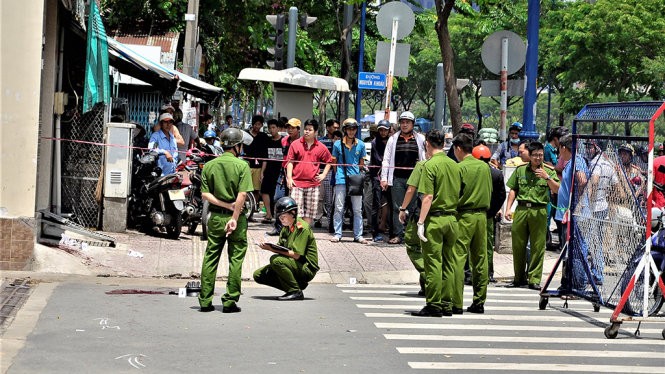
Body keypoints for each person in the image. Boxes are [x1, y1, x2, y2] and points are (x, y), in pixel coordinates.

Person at [198, 128, 254, 313]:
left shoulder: (209, 165)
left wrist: (225, 205)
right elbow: (243, 194)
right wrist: (234, 216)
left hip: (215, 218)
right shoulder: (242, 166)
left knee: (210, 258)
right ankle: (229, 301)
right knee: (235, 259)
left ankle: (205, 301)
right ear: (237, 146)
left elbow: (205, 195)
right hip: (236, 219)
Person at [411, 130, 461, 317]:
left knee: (433, 263)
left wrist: (420, 222)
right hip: (452, 219)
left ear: (428, 144)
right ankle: (447, 303)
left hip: (435, 220)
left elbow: (428, 196)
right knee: (449, 263)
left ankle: (434, 304)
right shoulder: (454, 165)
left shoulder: (429, 165)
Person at [505, 141, 560, 289]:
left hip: (539, 210)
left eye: (540, 155)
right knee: (518, 245)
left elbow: (557, 190)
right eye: (535, 155)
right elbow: (513, 189)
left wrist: (547, 177)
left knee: (537, 246)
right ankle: (519, 278)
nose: (538, 158)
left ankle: (534, 279)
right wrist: (508, 208)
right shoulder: (521, 170)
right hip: (522, 210)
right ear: (530, 155)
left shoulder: (549, 170)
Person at [451, 134, 492, 314]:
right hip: (482, 216)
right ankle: (479, 301)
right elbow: (490, 191)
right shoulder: (484, 167)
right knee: (480, 259)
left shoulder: (459, 168)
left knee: (458, 258)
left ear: (458, 148)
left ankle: (456, 302)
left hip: (464, 216)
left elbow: (454, 194)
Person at [254, 196, 320, 300]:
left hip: (306, 267)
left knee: (276, 260)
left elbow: (297, 255)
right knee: (258, 275)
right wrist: (268, 245)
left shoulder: (302, 228)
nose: (281, 219)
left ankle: (295, 291)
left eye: (283, 216)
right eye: (279, 217)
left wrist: (272, 249)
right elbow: (281, 248)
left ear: (293, 213)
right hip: (294, 264)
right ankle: (294, 286)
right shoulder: (286, 228)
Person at [380, 111, 426, 244]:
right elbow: (386, 160)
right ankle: (398, 234)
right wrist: (384, 178)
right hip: (397, 179)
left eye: (408, 122)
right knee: (397, 207)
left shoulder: (420, 139)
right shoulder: (393, 139)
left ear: (413, 124)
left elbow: (424, 157)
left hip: (415, 179)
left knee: (413, 208)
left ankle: (410, 235)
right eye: (403, 122)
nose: (405, 125)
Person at [397, 143, 433, 296]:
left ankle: (429, 277)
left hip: (421, 212)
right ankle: (426, 286)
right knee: (432, 251)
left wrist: (403, 208)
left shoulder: (423, 165)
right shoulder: (452, 165)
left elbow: (411, 189)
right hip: (444, 214)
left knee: (413, 244)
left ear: (428, 147)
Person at [555, 134, 589, 289]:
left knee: (576, 250)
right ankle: (568, 282)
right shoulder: (570, 163)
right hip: (566, 215)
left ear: (563, 147)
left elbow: (582, 180)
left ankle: (577, 284)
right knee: (568, 250)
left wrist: (578, 204)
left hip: (574, 215)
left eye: (559, 149)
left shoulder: (578, 160)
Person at [285, 119, 333, 225]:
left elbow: (329, 161)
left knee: (309, 216)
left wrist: (323, 174)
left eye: (310, 130)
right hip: (296, 184)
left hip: (313, 185)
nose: (306, 131)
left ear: (315, 132)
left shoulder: (321, 147)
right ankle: (295, 237)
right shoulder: (295, 144)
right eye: (305, 129)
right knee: (295, 213)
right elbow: (290, 162)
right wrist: (289, 178)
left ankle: (304, 238)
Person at [472, 144, 506, 283]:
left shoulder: (466, 171)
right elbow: (501, 196)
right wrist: (491, 211)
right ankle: (488, 273)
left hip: (469, 215)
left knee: (469, 245)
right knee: (487, 246)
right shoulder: (496, 173)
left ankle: (470, 273)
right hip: (487, 215)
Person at [331, 118, 368, 244]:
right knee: (339, 207)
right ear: (345, 130)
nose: (351, 131)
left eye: (353, 129)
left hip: (355, 179)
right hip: (341, 178)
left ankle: (358, 235)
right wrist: (338, 176)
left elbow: (361, 164)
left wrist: (356, 174)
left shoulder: (361, 145)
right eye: (349, 129)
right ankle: (337, 233)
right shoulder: (337, 144)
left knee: (357, 209)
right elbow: (334, 163)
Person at [267, 118, 301, 236]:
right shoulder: (284, 141)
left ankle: (293, 229)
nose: (290, 130)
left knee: (293, 203)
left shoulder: (302, 142)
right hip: (283, 173)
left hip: (297, 174)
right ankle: (278, 227)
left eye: (292, 128)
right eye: (288, 128)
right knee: (278, 199)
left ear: (298, 129)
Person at [370, 120, 392, 242]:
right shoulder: (375, 143)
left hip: (390, 176)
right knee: (376, 205)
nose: (383, 132)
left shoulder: (392, 141)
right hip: (377, 176)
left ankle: (392, 231)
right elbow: (379, 160)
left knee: (391, 203)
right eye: (381, 129)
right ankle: (375, 231)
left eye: (385, 129)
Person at [243, 115, 270, 212]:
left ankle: (253, 208)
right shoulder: (245, 135)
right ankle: (244, 208)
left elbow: (265, 156)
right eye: (256, 124)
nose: (257, 126)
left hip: (259, 168)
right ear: (252, 124)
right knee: (245, 189)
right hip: (247, 166)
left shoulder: (264, 137)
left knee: (256, 190)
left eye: (260, 125)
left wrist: (262, 171)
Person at [260, 119, 284, 223]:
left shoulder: (283, 141)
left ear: (278, 128)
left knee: (277, 194)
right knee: (265, 191)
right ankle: (268, 213)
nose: (271, 130)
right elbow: (265, 158)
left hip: (280, 171)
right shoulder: (267, 141)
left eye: (273, 127)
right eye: (270, 128)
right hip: (269, 170)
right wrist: (262, 172)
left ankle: (279, 215)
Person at [318, 119, 340, 233]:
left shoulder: (340, 141)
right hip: (322, 172)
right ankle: (319, 219)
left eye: (337, 128)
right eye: (334, 127)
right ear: (328, 128)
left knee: (332, 200)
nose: (336, 129)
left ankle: (332, 222)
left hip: (336, 173)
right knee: (321, 198)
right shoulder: (321, 141)